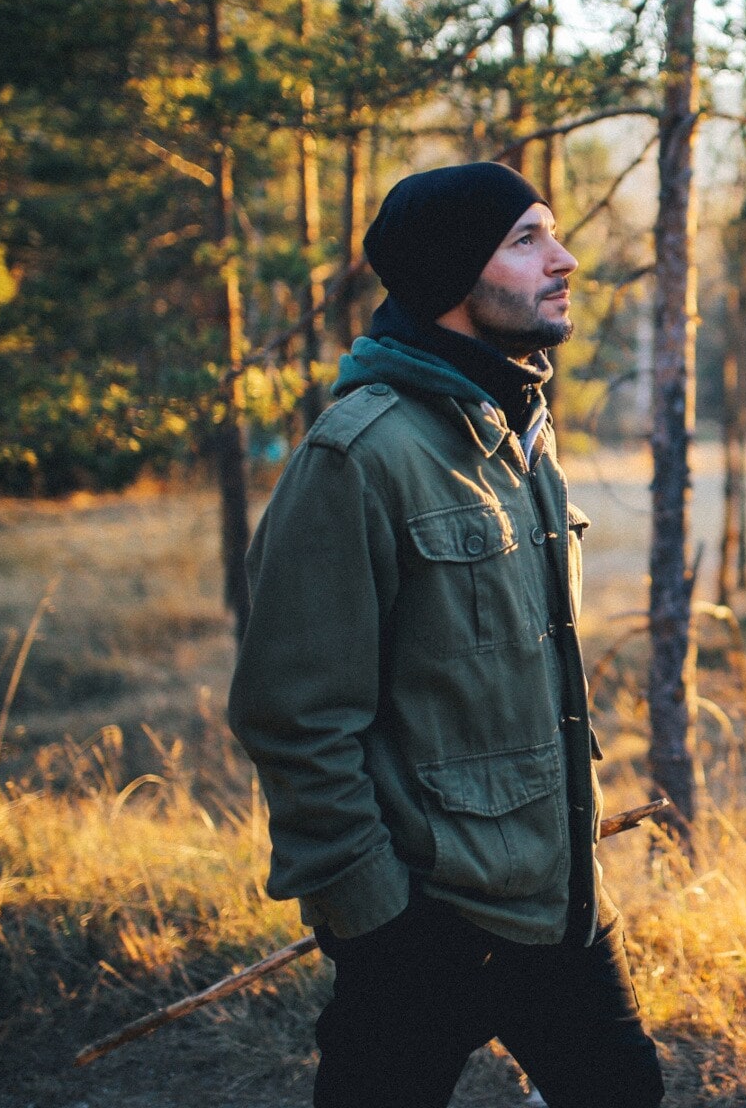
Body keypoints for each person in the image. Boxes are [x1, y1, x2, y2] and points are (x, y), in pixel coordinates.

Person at [228, 161, 664, 1108]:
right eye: (527, 240)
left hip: (561, 907)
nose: (566, 259)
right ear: (450, 275)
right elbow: (292, 715)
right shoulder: (358, 455)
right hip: (427, 924)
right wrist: (379, 920)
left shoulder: (518, 432)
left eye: (552, 234)